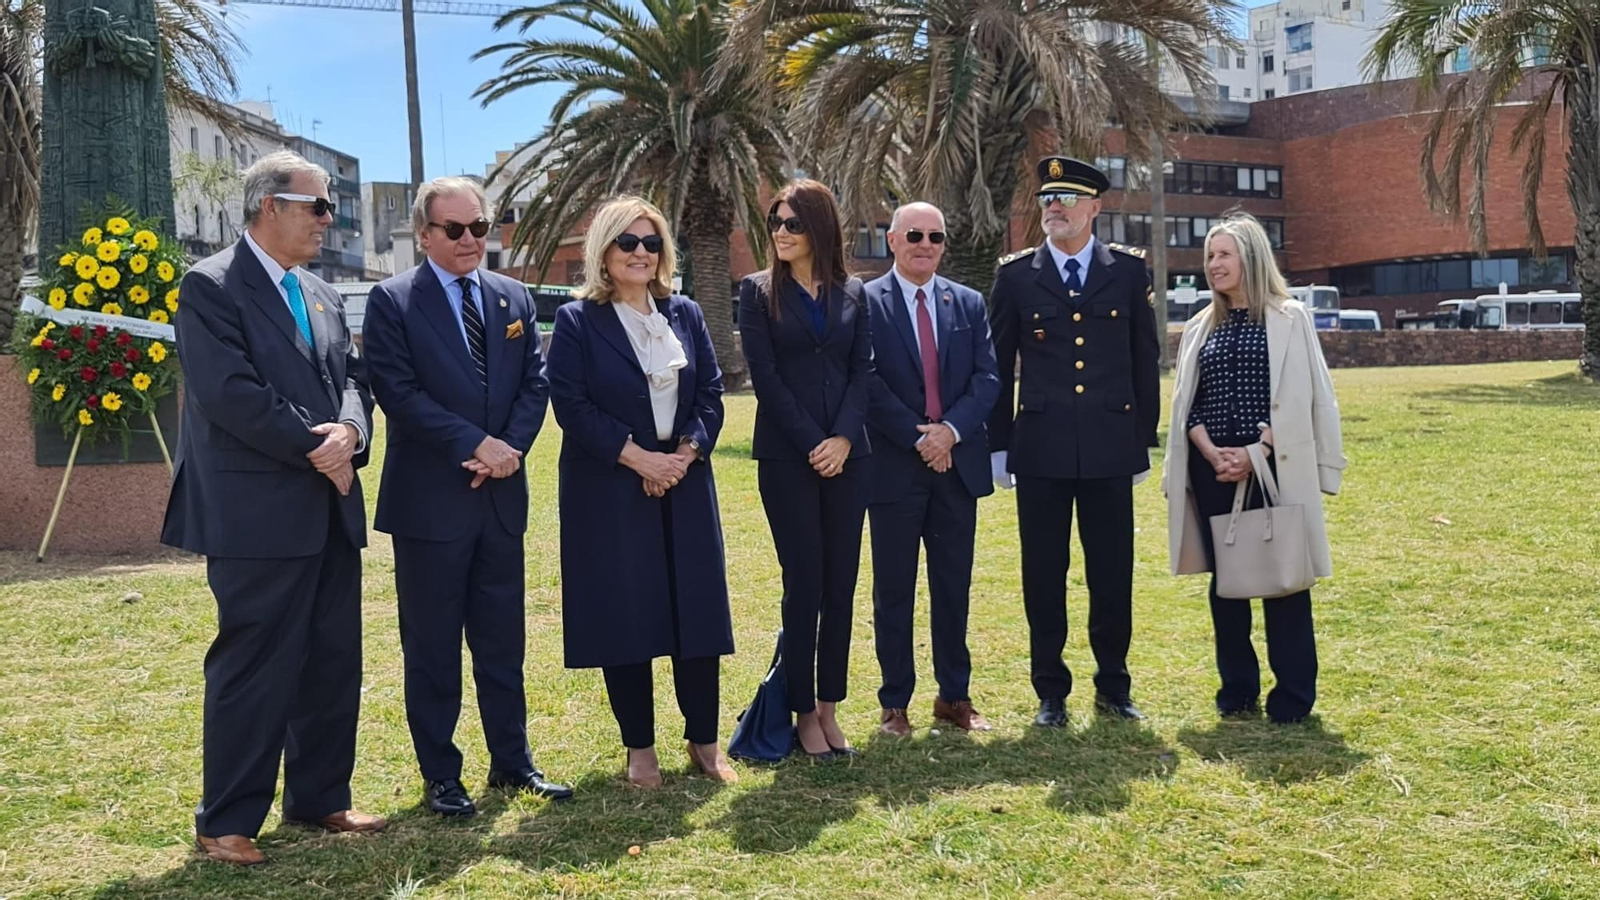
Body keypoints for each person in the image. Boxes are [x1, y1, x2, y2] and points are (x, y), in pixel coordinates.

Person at [161, 150, 383, 865]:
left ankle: (321, 796)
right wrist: (316, 447)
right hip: (257, 512)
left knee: (330, 659)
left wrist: (351, 431)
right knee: (255, 662)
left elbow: (353, 377)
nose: (328, 218)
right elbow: (229, 393)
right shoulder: (211, 285)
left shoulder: (319, 291)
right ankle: (225, 820)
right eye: (317, 205)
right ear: (269, 206)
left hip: (328, 505)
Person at [363, 176, 572, 816]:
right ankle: (441, 775)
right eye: (454, 229)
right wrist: (477, 444)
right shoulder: (392, 300)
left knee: (503, 641)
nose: (469, 240)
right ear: (424, 235)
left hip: (500, 499)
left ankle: (512, 763)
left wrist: (508, 449)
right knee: (431, 647)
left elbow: (535, 383)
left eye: (479, 227)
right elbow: (396, 392)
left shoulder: (512, 297)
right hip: (431, 505)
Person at [546, 196, 737, 787]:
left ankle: (705, 744)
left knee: (695, 610)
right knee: (626, 614)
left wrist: (682, 456)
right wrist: (640, 461)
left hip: (683, 478)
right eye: (627, 242)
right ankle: (640, 751)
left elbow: (710, 390)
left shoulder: (684, 312)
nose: (640, 253)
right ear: (604, 251)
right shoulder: (579, 321)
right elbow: (570, 405)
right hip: (611, 483)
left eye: (651, 243)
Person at [987, 156, 1161, 727]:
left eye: (1065, 199)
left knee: (1112, 572)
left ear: (1095, 207)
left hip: (1112, 446)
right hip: (1040, 449)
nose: (1053, 208)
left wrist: (1142, 440)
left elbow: (1144, 359)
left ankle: (1114, 685)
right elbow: (998, 365)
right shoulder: (1016, 276)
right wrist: (998, 445)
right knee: (1043, 573)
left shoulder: (1130, 273)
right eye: (1046, 199)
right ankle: (1050, 693)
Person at [1162, 214, 1346, 724]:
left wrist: (1255, 451)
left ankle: (1292, 698)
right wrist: (1212, 451)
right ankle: (1237, 691)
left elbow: (1310, 396)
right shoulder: (1201, 325)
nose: (1213, 265)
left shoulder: (1290, 317)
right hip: (1212, 470)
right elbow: (1187, 405)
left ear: (1251, 258)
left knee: (1285, 580)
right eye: (1209, 257)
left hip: (1274, 467)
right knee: (1227, 584)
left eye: (1223, 255)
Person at [738, 179, 873, 759]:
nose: (781, 233)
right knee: (805, 585)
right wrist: (814, 442)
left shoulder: (854, 294)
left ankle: (829, 708)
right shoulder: (757, 291)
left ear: (820, 227)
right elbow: (764, 377)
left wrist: (842, 437)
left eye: (793, 223)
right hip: (787, 457)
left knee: (841, 584)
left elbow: (863, 372)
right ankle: (799, 711)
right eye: (775, 222)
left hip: (850, 457)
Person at [863, 201, 1000, 737]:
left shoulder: (966, 302)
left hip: (956, 467)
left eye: (936, 236)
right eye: (914, 234)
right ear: (892, 240)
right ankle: (895, 702)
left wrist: (949, 433)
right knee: (893, 588)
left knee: (953, 586)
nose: (925, 244)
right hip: (895, 467)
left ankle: (954, 697)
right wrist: (920, 437)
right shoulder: (866, 301)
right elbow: (868, 380)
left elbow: (988, 379)